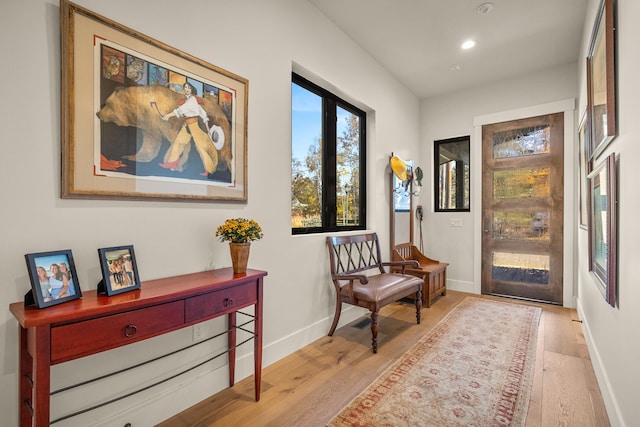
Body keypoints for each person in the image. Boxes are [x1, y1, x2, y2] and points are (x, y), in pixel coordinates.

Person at [159, 82, 218, 176]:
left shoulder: (192, 99)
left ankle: (209, 169)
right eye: (185, 87)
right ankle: (172, 163)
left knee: (201, 147)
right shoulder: (188, 100)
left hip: (194, 125)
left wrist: (168, 115)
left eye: (188, 88)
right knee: (178, 142)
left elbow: (182, 110)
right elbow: (202, 113)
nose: (186, 89)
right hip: (187, 124)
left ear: (192, 90)